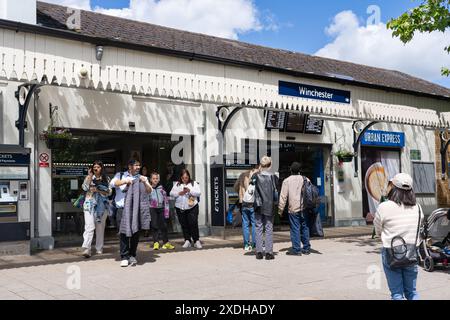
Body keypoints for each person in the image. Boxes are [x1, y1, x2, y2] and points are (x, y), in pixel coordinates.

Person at [374, 173, 423, 300]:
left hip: (391, 253)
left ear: (393, 188)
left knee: (396, 294)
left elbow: (378, 230)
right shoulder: (417, 207)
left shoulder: (384, 207)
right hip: (412, 252)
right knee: (412, 292)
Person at [110, 159, 153, 267]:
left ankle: (132, 254)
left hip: (135, 210)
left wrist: (144, 182)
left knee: (135, 232)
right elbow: (112, 184)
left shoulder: (142, 178)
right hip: (122, 209)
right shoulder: (120, 175)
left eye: (139, 165)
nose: (138, 167)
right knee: (123, 233)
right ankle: (124, 256)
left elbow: (149, 190)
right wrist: (125, 181)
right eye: (136, 165)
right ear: (129, 167)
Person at [278, 162, 311, 256]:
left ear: (291, 170)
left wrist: (280, 210)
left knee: (295, 228)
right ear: (300, 170)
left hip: (293, 208)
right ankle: (306, 248)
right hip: (304, 207)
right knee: (305, 227)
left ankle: (297, 250)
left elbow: (283, 197)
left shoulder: (287, 181)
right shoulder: (306, 179)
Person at [81, 160, 112, 258]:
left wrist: (98, 190)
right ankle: (87, 249)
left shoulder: (106, 178)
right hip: (89, 204)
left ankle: (99, 248)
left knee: (100, 228)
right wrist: (89, 177)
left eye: (98, 167)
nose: (96, 168)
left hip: (102, 205)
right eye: (94, 167)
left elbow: (109, 192)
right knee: (89, 226)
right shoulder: (89, 177)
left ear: (101, 168)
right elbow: (84, 188)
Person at [253, 156, 278, 260]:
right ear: (270, 165)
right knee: (268, 228)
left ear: (261, 164)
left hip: (258, 205)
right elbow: (275, 193)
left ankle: (259, 252)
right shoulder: (274, 177)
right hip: (269, 205)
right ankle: (268, 253)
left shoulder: (255, 176)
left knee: (258, 227)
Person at [170, 169, 202, 249]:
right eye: (183, 178)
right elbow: (171, 193)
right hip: (180, 207)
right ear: (181, 177)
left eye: (186, 177)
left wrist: (189, 190)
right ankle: (187, 240)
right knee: (184, 224)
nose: (185, 179)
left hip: (192, 207)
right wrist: (179, 193)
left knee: (193, 223)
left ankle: (196, 240)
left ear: (189, 177)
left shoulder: (193, 183)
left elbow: (198, 193)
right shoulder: (177, 184)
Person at [234, 164, 260, 251]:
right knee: (254, 223)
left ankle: (246, 244)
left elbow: (235, 186)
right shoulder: (259, 174)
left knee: (245, 223)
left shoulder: (243, 174)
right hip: (254, 203)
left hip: (244, 202)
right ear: (257, 165)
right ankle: (254, 244)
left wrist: (241, 193)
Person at [149, 171, 175, 250]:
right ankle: (156, 242)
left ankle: (166, 242)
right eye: (153, 178)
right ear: (150, 179)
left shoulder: (161, 187)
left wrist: (166, 209)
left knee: (164, 225)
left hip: (161, 208)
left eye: (157, 178)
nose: (155, 180)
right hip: (152, 208)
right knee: (154, 225)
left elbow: (165, 198)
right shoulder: (148, 187)